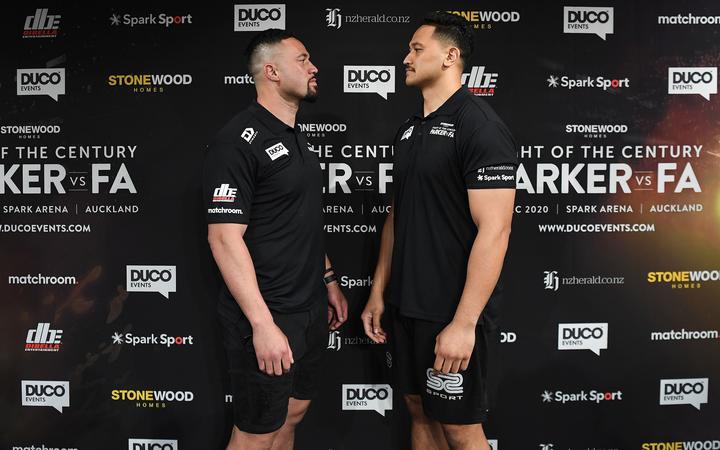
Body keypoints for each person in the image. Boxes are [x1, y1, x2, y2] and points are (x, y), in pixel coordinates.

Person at [361, 12, 518, 450]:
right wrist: (378, 291)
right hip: (406, 305)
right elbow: (396, 216)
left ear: (450, 56)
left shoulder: (480, 126)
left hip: (450, 310)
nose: (405, 58)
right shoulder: (409, 129)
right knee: (419, 411)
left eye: (416, 49)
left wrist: (464, 323)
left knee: (460, 429)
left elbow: (496, 230)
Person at [203, 29, 348, 450]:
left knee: (293, 415)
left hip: (309, 308)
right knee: (255, 436)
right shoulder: (236, 142)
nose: (314, 67)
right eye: (303, 60)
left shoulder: (294, 135)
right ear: (271, 71)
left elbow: (298, 220)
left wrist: (329, 280)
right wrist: (262, 325)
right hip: (268, 316)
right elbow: (224, 239)